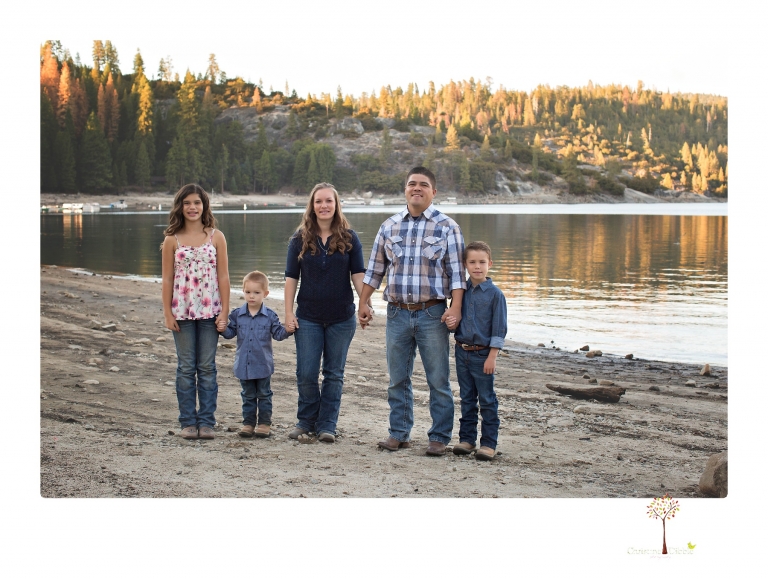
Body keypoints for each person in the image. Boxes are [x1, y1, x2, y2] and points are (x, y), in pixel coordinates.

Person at [357, 166, 466, 456]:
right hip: (397, 313)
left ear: (434, 191)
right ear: (405, 189)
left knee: (438, 379)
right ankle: (399, 433)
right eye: (411, 184)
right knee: (397, 378)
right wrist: (364, 302)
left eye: (423, 185)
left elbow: (457, 275)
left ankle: (439, 437)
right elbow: (375, 270)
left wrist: (456, 307)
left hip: (433, 314)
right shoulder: (388, 226)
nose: (416, 188)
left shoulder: (448, 227)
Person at [284, 183, 368, 443]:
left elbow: (358, 275)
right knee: (306, 372)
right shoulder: (298, 239)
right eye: (318, 201)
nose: (323, 206)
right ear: (312, 206)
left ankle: (327, 425)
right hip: (307, 316)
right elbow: (290, 278)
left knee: (334, 374)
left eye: (328, 201)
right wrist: (288, 313)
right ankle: (306, 420)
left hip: (341, 317)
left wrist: (365, 303)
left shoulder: (350, 238)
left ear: (336, 204)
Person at [161, 184, 230, 440]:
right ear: (180, 206)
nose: (192, 207)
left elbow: (223, 276)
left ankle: (207, 423)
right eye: (187, 203)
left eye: (197, 203)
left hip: (211, 312)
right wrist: (167, 313)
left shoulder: (216, 237)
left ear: (204, 206)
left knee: (208, 368)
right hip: (182, 313)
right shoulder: (172, 239)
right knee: (186, 367)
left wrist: (225, 311)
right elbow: (167, 279)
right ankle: (188, 422)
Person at [445, 241, 508, 461]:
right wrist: (450, 322)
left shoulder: (495, 295)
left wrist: (492, 356)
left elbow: (499, 329)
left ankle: (489, 444)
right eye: (472, 262)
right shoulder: (461, 292)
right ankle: (467, 439)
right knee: (467, 397)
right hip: (462, 352)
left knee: (487, 399)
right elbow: (455, 323)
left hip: (483, 355)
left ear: (490, 264)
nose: (477, 266)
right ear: (465, 264)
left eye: (482, 262)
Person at [220, 271, 294, 438]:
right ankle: (248, 424)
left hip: (262, 364)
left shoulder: (270, 316)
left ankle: (264, 424)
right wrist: (223, 329)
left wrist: (288, 330)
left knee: (264, 394)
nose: (251, 296)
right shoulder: (237, 314)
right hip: (244, 364)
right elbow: (230, 333)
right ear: (243, 292)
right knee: (247, 395)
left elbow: (278, 334)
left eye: (256, 292)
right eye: (248, 292)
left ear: (265, 294)